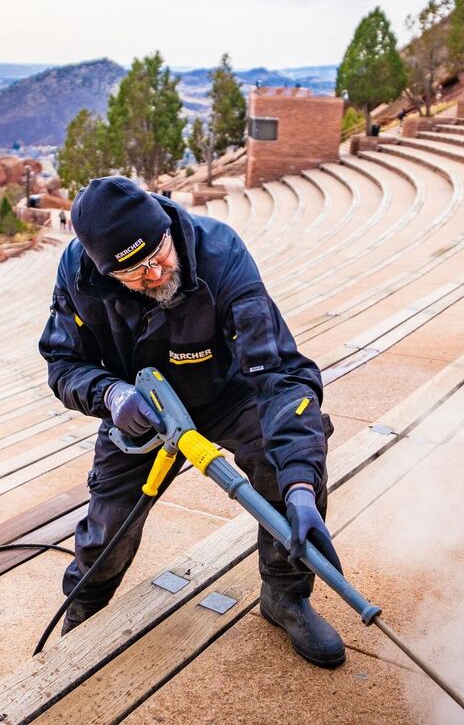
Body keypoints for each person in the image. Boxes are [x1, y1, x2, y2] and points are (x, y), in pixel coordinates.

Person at [39, 176, 345, 668]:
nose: (156, 272)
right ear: (104, 271)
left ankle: (286, 597)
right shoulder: (78, 274)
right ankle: (84, 610)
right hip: (142, 408)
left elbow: (282, 374)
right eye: (135, 273)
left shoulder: (220, 254)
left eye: (158, 254)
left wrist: (301, 486)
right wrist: (112, 395)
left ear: (164, 227)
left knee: (280, 460)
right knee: (110, 521)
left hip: (226, 392)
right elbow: (62, 363)